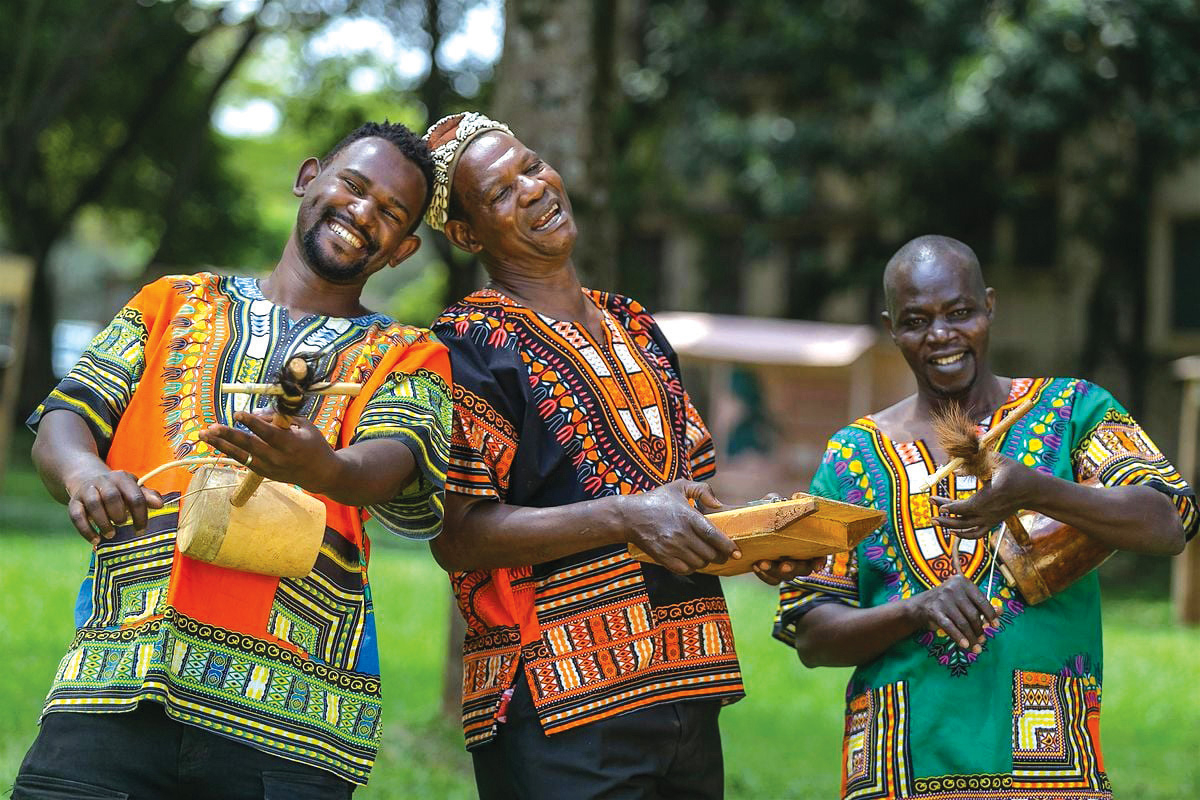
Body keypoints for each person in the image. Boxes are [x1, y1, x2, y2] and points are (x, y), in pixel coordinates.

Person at [13, 121, 453, 799]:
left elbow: (389, 463)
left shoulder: (410, 356)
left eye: (390, 214)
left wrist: (323, 468)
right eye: (354, 187)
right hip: (115, 682)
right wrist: (85, 474)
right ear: (309, 177)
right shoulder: (172, 303)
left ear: (403, 251)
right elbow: (68, 417)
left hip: (289, 722)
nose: (364, 214)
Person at [421, 112, 815, 799]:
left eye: (533, 166)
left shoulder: (633, 323)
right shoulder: (469, 345)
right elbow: (459, 537)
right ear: (465, 233)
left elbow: (683, 501)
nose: (536, 189)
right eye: (502, 192)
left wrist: (758, 546)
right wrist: (626, 517)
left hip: (685, 685)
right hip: (560, 706)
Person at [770, 234, 1197, 799]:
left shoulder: (1071, 411)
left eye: (961, 312)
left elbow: (1169, 520)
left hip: (1047, 764)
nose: (942, 335)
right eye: (917, 320)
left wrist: (1038, 490)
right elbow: (812, 635)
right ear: (892, 327)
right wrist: (915, 610)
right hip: (900, 767)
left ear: (989, 306)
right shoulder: (851, 457)